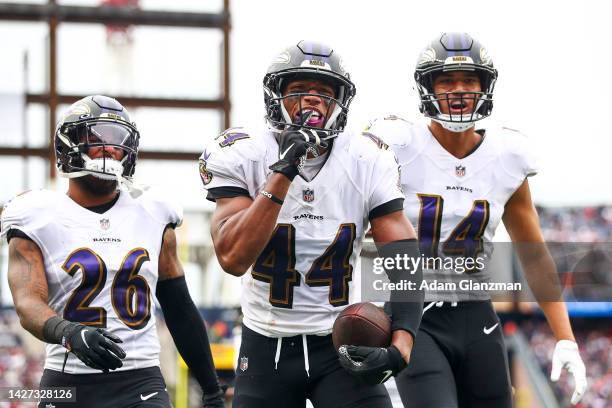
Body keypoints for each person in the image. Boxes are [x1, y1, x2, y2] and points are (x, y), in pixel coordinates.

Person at [365, 32, 588, 407]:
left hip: (476, 315)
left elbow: (533, 255)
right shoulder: (396, 147)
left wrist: (565, 337)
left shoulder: (506, 155)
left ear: (485, 88)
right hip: (412, 313)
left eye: (469, 80)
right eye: (446, 80)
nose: (459, 90)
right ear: (427, 88)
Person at [199, 41, 424, 408]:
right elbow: (232, 258)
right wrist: (284, 170)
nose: (313, 101)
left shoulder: (366, 158)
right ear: (277, 99)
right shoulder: (246, 153)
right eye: (299, 91)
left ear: (341, 103)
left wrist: (402, 345)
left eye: (324, 93)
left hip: (340, 343)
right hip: (265, 343)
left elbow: (405, 259)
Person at [1, 95, 225, 408]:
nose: (109, 148)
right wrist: (70, 333)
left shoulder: (154, 212)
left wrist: (212, 389)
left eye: (118, 141)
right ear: (70, 146)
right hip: (68, 382)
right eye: (97, 139)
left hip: (139, 379)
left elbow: (179, 308)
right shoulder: (36, 215)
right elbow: (27, 304)